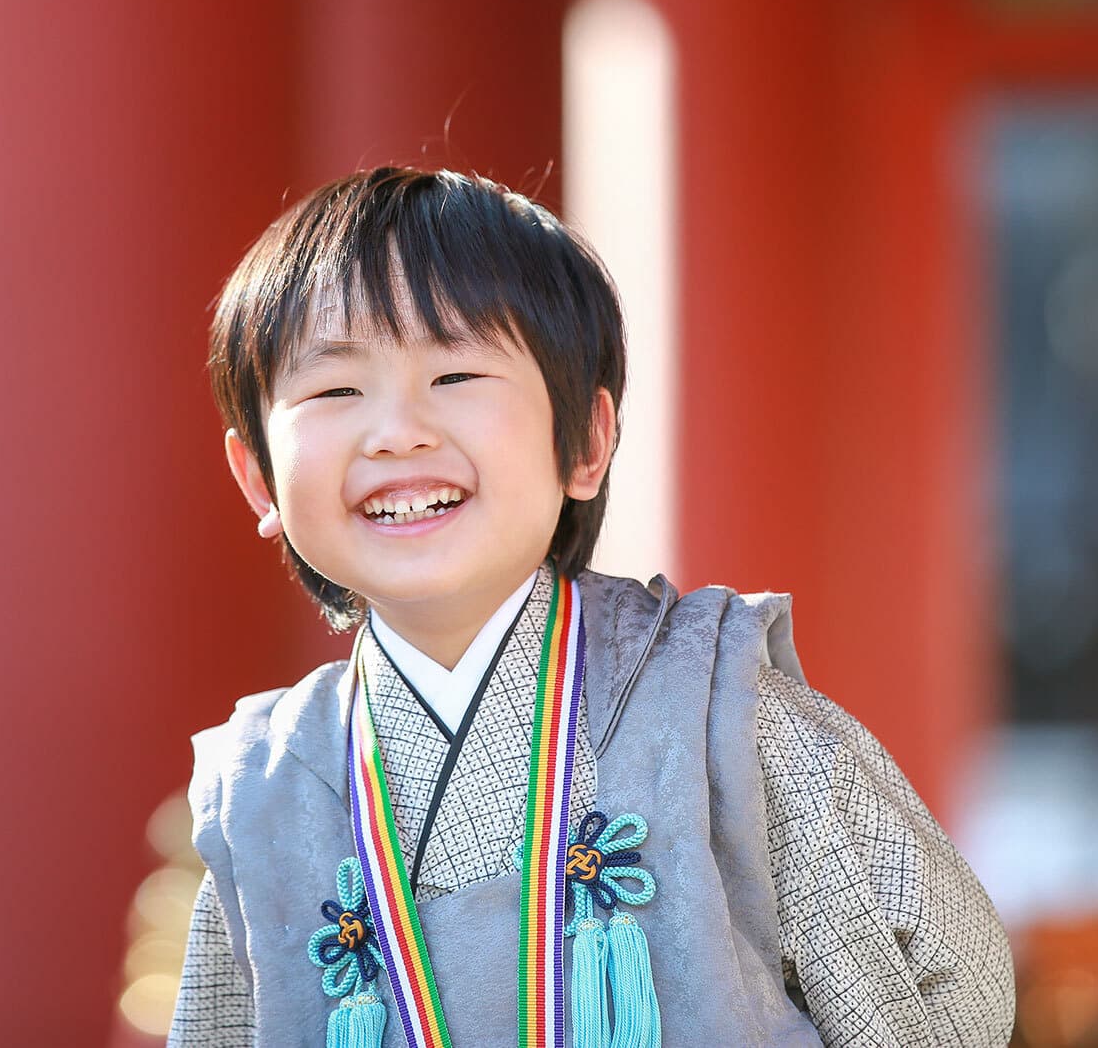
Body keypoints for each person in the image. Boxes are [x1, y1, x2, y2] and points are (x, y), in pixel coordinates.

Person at [169, 168, 1015, 1047]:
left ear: (586, 440)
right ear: (257, 476)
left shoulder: (720, 711)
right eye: (337, 391)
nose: (397, 431)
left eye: (455, 372)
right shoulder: (262, 796)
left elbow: (945, 998)